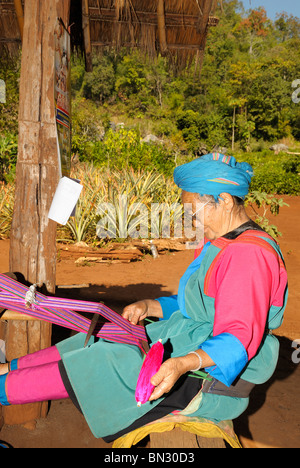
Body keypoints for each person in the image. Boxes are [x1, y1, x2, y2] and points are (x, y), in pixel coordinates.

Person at [0, 153, 288, 442]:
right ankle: (9, 370)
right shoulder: (225, 243)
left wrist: (182, 363)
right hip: (191, 347)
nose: (193, 221)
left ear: (223, 200)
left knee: (103, 362)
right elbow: (204, 304)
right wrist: (152, 306)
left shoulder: (248, 255)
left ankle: (4, 389)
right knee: (102, 337)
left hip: (208, 379)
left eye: (194, 212)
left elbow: (238, 336)